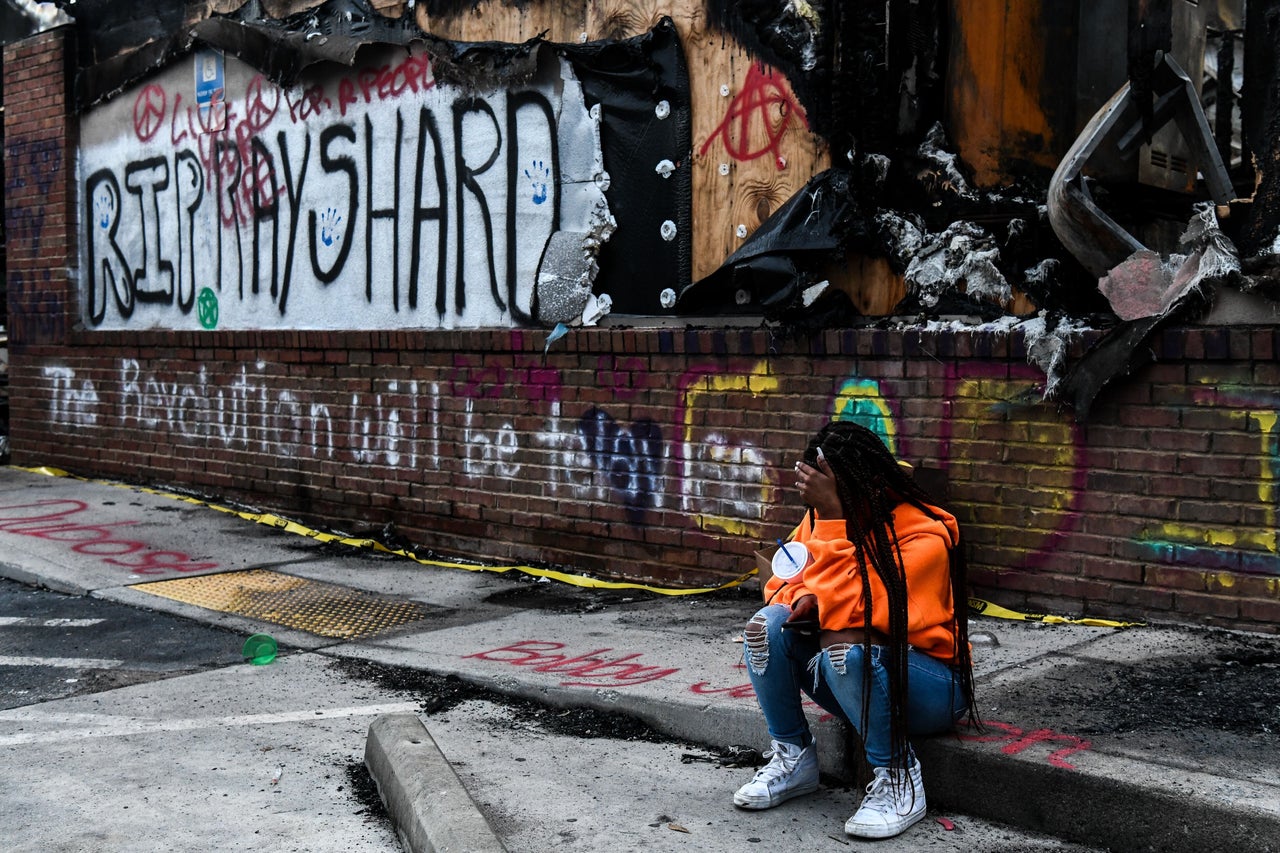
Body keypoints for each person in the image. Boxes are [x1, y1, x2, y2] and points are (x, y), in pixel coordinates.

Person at [733, 420, 978, 839]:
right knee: (766, 627)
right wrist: (801, 600)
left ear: (865, 484)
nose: (817, 508)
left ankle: (899, 778)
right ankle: (794, 758)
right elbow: (779, 583)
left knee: (845, 648)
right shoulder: (818, 522)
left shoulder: (925, 535)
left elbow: (857, 615)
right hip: (856, 679)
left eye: (829, 493)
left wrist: (832, 519)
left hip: (929, 689)